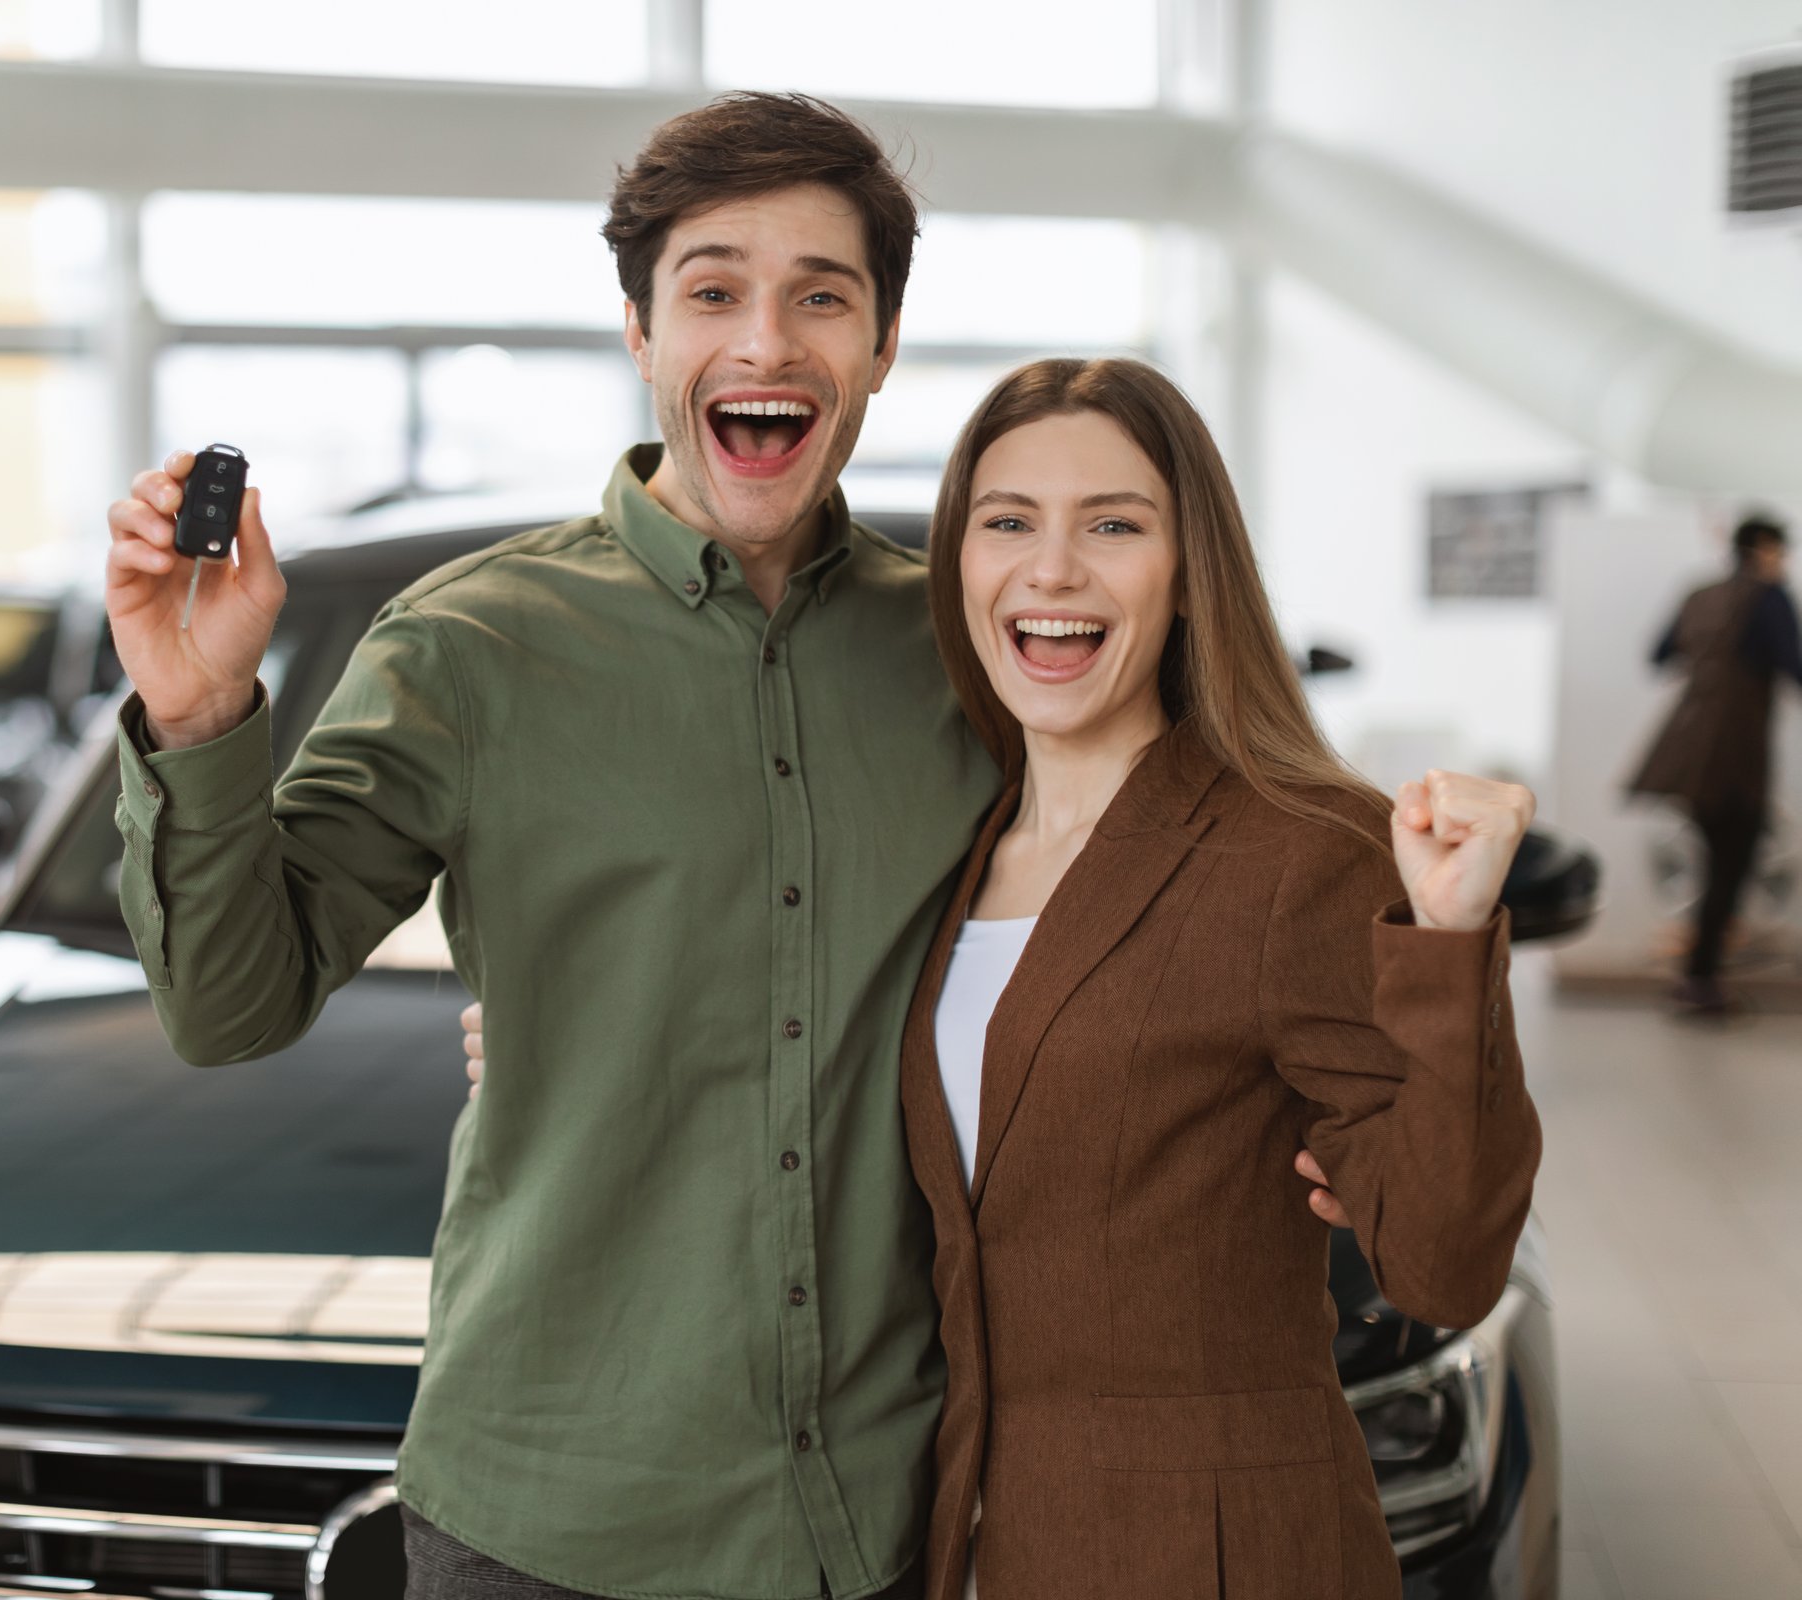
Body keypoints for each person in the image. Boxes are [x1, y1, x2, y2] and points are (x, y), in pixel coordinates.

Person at [109, 94, 1345, 1600]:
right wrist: (199, 711)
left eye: (821, 296)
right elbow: (231, 1004)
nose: (766, 342)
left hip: (890, 1519)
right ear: (640, 333)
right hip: (548, 1523)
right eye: (713, 292)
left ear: (881, 346)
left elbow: (1166, 873)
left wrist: (1347, 1060)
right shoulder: (468, 647)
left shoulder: (972, 645)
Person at [897, 357, 1540, 1600]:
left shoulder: (1299, 851)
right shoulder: (952, 855)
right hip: (981, 1544)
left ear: (1191, 574)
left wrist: (1451, 942)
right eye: (1008, 522)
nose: (1052, 570)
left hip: (1218, 1557)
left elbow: (1444, 1264)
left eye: (1115, 526)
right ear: (960, 563)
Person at [1628, 512, 1802, 1015]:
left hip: (1685, 750)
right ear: (1766, 549)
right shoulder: (1768, 597)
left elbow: (1660, 654)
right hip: (1733, 755)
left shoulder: (1700, 593)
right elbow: (1794, 666)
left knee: (1717, 866)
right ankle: (1700, 982)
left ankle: (1697, 976)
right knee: (1732, 866)